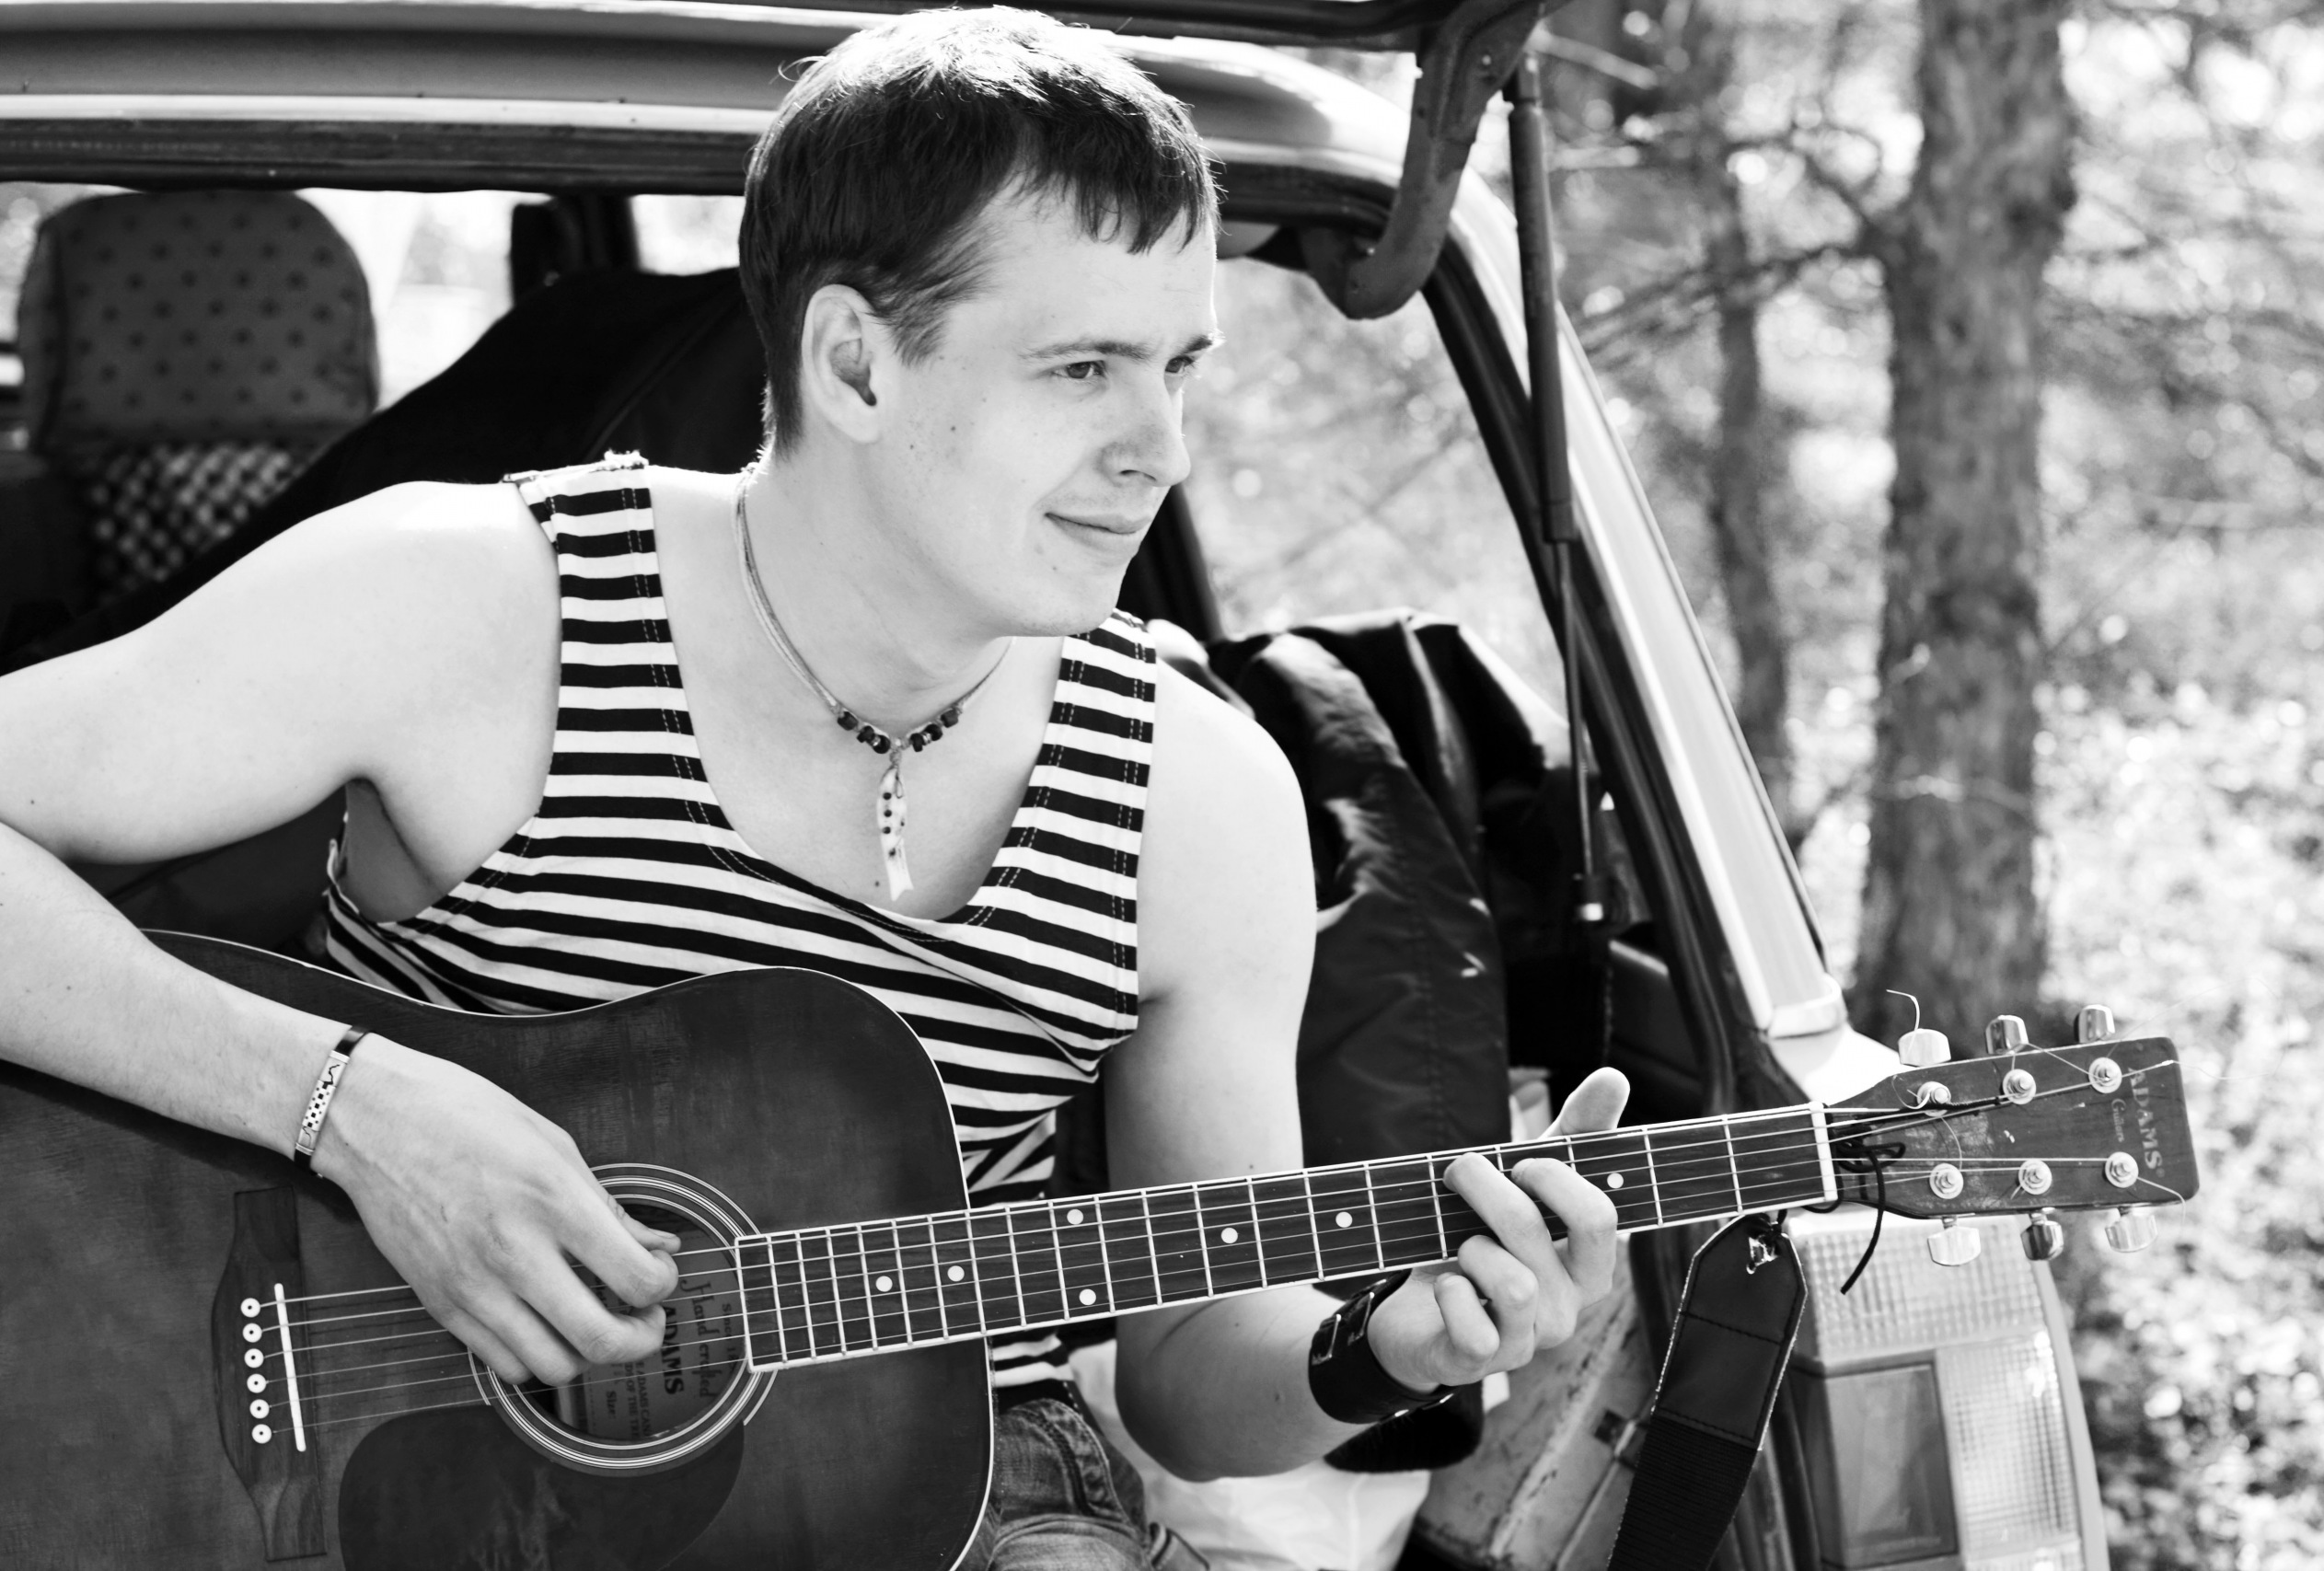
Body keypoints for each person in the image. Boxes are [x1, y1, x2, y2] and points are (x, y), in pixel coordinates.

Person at [0, 8, 1624, 1565]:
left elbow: (1195, 1379)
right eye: (1083, 369)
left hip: (954, 1499)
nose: (1163, 448)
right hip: (386, 1486)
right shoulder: (471, 607)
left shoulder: (1198, 800)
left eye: (1180, 368)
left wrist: (1383, 1349)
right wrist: (359, 1111)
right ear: (855, 365)